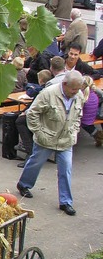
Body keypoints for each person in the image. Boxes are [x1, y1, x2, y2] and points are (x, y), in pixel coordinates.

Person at [16, 71, 85, 216]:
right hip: (46, 138)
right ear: (64, 84)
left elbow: (78, 115)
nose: (76, 92)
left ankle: (66, 202)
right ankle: (24, 184)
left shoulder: (78, 95)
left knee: (65, 169)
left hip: (66, 140)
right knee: (35, 163)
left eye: (78, 89)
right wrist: (39, 132)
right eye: (73, 89)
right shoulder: (48, 94)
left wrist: (74, 130)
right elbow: (32, 113)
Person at [79, 76, 103, 146]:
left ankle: (98, 136)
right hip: (93, 115)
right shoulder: (94, 94)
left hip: (85, 120)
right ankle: (98, 136)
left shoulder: (82, 95)